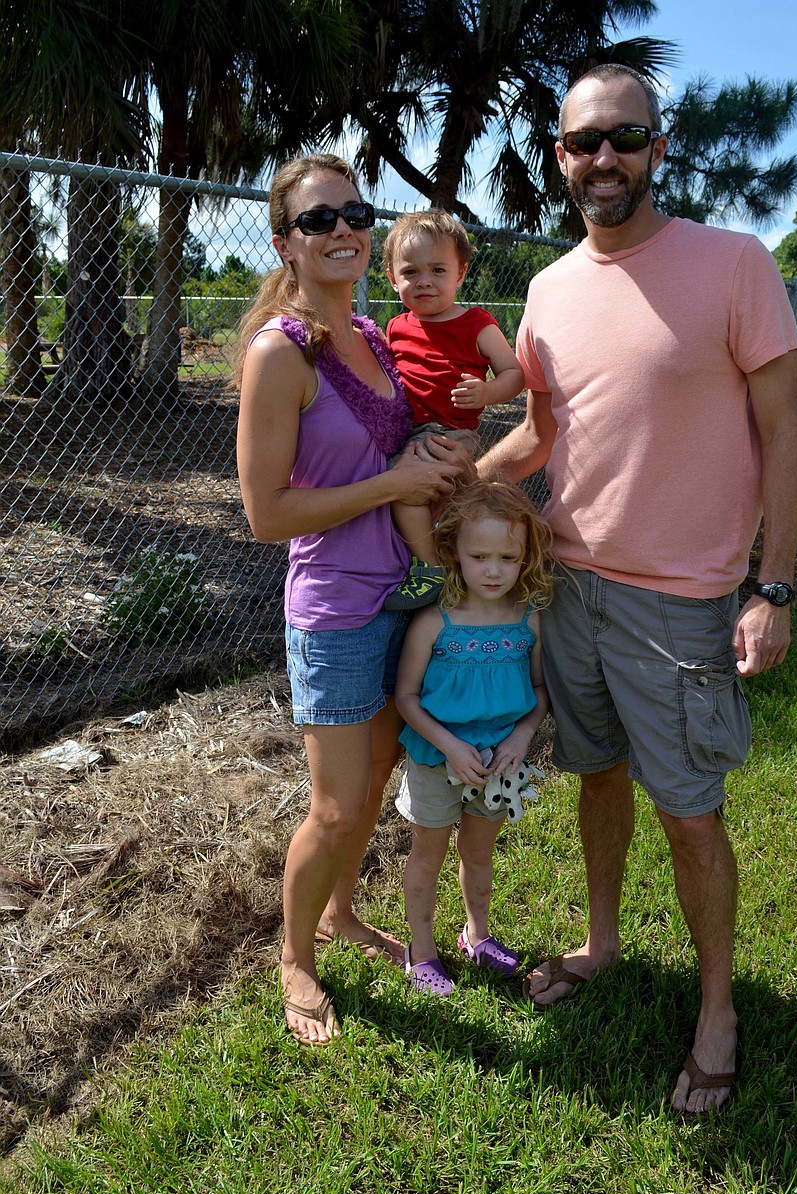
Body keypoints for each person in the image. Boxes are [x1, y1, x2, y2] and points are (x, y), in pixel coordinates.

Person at [477, 64, 797, 1111]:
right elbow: (543, 431)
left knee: (689, 811)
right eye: (583, 142)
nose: (602, 159)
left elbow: (782, 430)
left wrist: (776, 586)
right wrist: (463, 480)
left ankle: (718, 1008)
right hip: (569, 587)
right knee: (598, 775)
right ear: (561, 156)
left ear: (659, 149)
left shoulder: (732, 263)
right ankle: (604, 940)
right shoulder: (547, 289)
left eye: (624, 138)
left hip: (681, 601)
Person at [235, 154, 466, 1046]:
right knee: (333, 807)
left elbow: (397, 464)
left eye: (354, 213)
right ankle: (296, 958)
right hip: (335, 608)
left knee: (373, 781)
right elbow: (266, 514)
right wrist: (393, 483)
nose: (341, 230)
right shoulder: (277, 353)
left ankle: (337, 915)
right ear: (285, 240)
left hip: (400, 595)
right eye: (317, 219)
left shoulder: (373, 336)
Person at [393, 479, 552, 994]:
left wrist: (523, 735)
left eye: (507, 557)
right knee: (429, 854)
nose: (492, 569)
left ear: (525, 557)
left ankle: (476, 935)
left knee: (479, 854)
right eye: (479, 554)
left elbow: (539, 689)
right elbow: (407, 698)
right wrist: (450, 746)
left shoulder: (529, 622)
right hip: (439, 758)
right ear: (454, 552)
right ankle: (421, 951)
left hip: (498, 763)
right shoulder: (433, 623)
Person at [381, 210, 524, 610]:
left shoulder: (476, 323)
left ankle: (430, 569)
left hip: (446, 432)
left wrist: (486, 392)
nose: (424, 281)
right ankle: (444, 563)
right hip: (406, 431)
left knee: (404, 491)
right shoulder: (396, 327)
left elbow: (515, 374)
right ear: (393, 279)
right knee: (428, 502)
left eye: (438, 270)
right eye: (410, 272)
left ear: (460, 273)